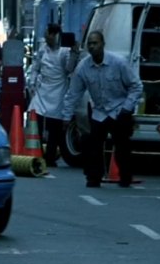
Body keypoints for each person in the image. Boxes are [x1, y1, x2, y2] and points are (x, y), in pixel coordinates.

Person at [61, 31, 143, 188]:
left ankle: (125, 177)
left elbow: (136, 86)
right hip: (99, 111)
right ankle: (94, 178)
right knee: (93, 146)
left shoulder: (118, 63)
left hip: (119, 109)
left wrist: (127, 107)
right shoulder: (83, 67)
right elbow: (73, 93)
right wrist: (66, 117)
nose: (92, 46)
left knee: (122, 146)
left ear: (103, 44)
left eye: (95, 43)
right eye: (90, 44)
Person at [28, 24, 81, 166]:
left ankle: (50, 157)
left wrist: (74, 53)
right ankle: (36, 152)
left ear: (55, 35)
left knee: (54, 126)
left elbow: (69, 69)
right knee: (36, 119)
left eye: (49, 35)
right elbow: (35, 67)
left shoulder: (64, 51)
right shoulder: (42, 49)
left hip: (58, 89)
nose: (47, 37)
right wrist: (32, 84)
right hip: (42, 88)